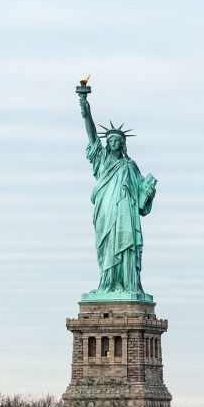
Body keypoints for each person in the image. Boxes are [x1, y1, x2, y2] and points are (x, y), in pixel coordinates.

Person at [79, 92, 157, 297]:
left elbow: (142, 196)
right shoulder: (102, 160)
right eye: (111, 140)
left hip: (126, 213)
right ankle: (108, 283)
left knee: (126, 245)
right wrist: (85, 107)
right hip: (106, 210)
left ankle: (127, 284)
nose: (114, 143)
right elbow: (92, 135)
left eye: (117, 141)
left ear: (123, 144)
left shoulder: (130, 166)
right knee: (107, 246)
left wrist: (148, 190)